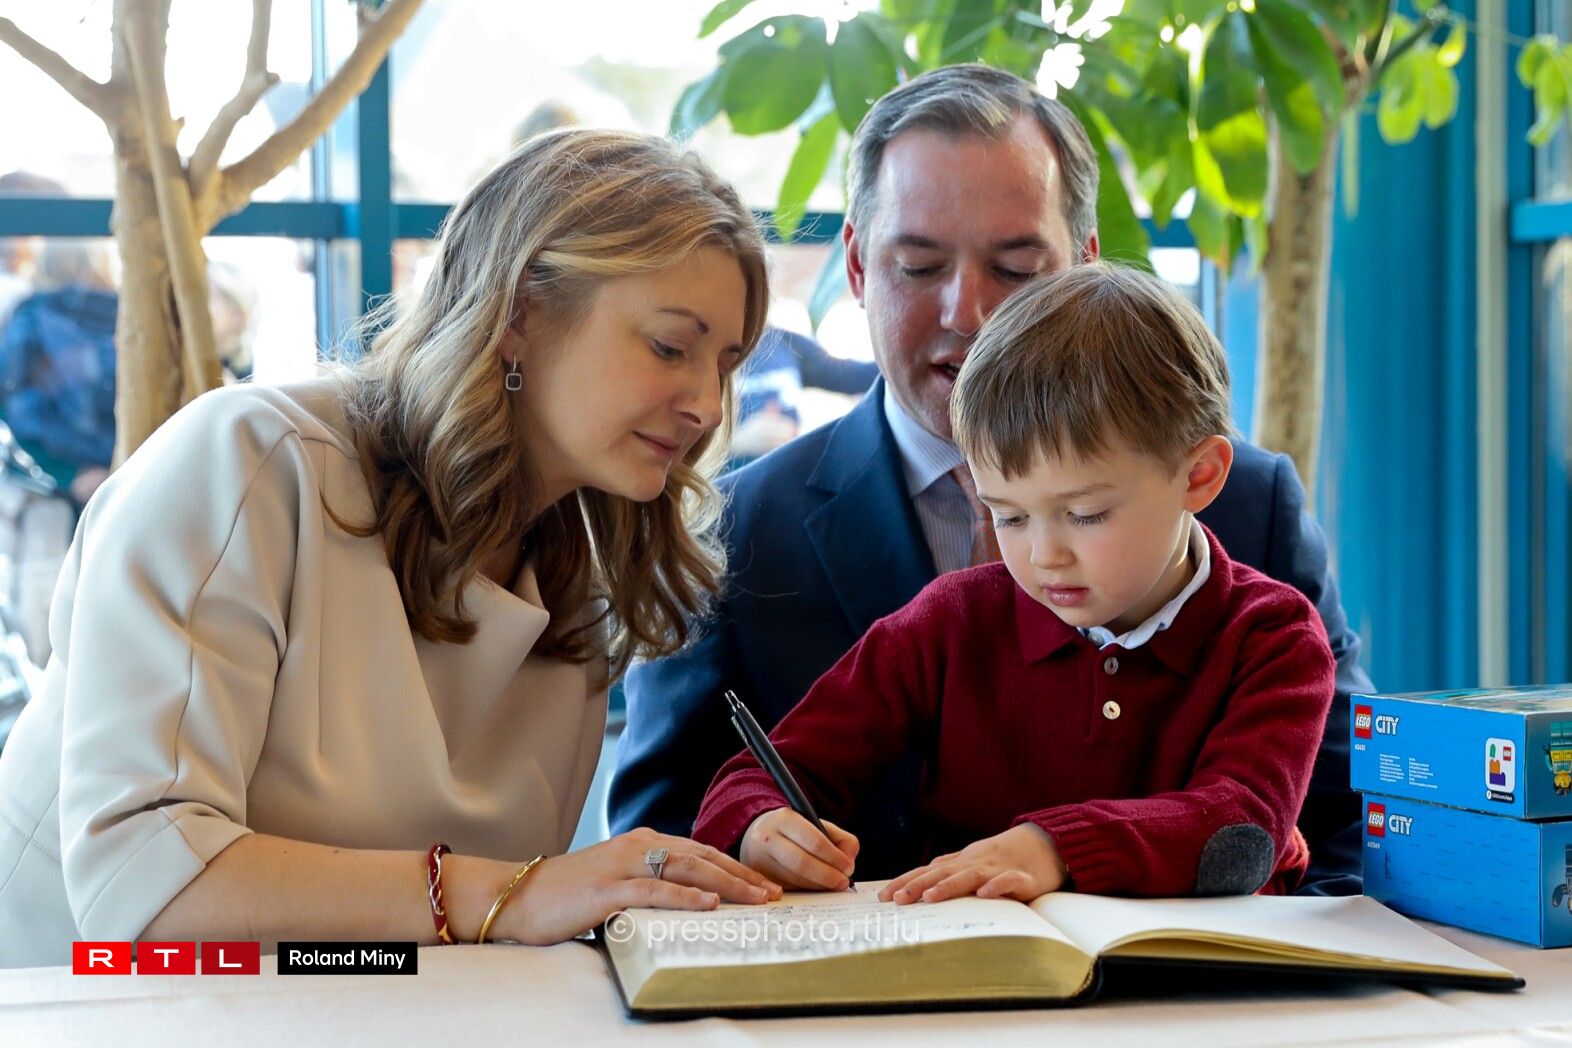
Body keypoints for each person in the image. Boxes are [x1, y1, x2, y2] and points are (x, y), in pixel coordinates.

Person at [0, 129, 783, 969]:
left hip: (344, 1013)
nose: (707, 405)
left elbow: (439, 948)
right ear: (519, 313)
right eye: (670, 346)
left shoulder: (574, 591)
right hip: (79, 1006)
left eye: (726, 364)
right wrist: (515, 894)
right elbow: (143, 898)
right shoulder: (250, 464)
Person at [610, 63, 1372, 894]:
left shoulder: (1256, 518)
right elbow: (665, 835)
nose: (967, 314)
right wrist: (758, 829)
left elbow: (1351, 823)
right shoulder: (736, 528)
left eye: (1013, 270)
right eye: (919, 266)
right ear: (857, 266)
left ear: (1084, 266)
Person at [694, 263, 1337, 901]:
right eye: (1008, 516)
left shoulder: (1273, 637)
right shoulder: (950, 621)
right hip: (978, 958)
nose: (1044, 556)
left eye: (1085, 514)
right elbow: (762, 773)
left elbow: (1240, 829)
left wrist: (1054, 846)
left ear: (1199, 476)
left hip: (1206, 969)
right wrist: (760, 824)